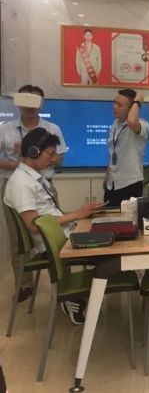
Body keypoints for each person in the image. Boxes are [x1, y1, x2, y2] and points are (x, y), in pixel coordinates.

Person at [4, 128, 104, 324]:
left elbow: (50, 214)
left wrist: (79, 214)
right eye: (50, 154)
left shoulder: (33, 178)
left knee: (107, 231)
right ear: (33, 152)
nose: (54, 159)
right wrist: (77, 215)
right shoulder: (21, 183)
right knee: (110, 250)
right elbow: (34, 225)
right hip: (54, 242)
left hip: (63, 234)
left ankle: (81, 292)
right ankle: (69, 295)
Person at [0, 85, 66, 303]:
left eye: (35, 101)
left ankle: (62, 282)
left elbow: (60, 158)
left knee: (55, 230)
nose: (30, 106)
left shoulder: (52, 128)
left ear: (41, 104)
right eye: (25, 101)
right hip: (14, 183)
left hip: (45, 184)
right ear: (18, 103)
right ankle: (24, 284)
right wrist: (20, 163)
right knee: (18, 239)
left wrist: (41, 157)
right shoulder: (6, 129)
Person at [103, 89, 149, 207]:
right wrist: (107, 176)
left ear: (131, 108)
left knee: (127, 218)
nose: (114, 107)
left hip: (130, 184)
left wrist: (138, 101)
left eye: (120, 105)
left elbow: (131, 121)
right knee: (109, 217)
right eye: (114, 103)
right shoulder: (115, 124)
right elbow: (114, 152)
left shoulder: (142, 125)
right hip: (112, 183)